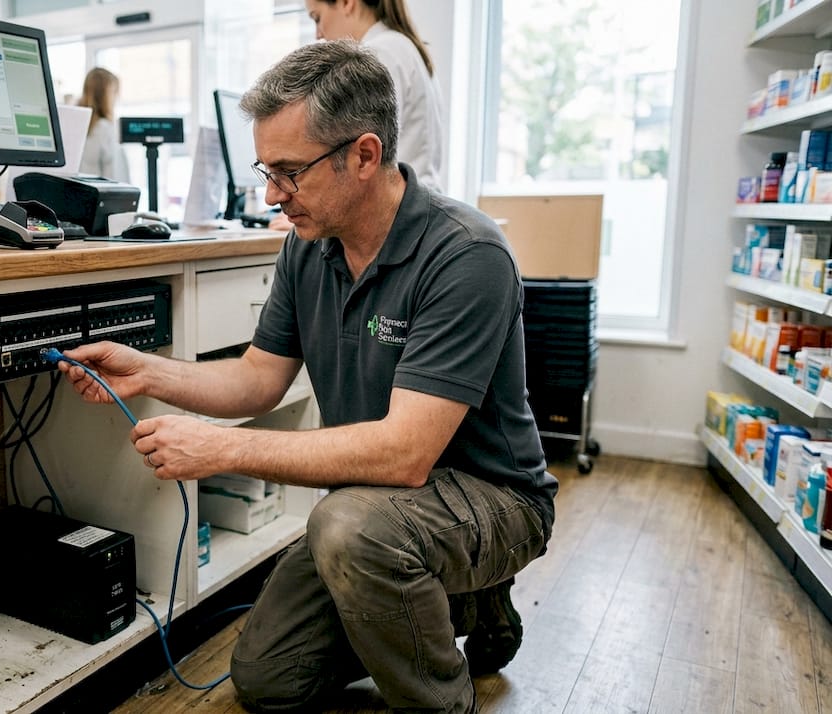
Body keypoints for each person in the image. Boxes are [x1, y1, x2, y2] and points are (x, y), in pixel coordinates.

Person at [58, 40, 555, 713]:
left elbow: (407, 455)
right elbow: (259, 380)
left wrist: (223, 449)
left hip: (494, 499)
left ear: (365, 155)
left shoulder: (466, 256)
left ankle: (445, 691)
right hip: (384, 506)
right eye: (267, 170)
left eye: (289, 172)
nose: (271, 195)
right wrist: (146, 370)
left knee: (350, 529)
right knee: (267, 677)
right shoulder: (307, 246)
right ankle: (460, 600)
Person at [268, 0, 443, 233]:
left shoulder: (379, 55)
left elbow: (357, 157)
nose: (318, 34)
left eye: (317, 17)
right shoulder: (404, 48)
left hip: (396, 219)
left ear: (347, 3)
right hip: (417, 210)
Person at [76, 68, 130, 183]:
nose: (116, 98)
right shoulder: (105, 128)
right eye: (114, 92)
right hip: (102, 197)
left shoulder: (77, 127)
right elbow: (115, 176)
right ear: (105, 95)